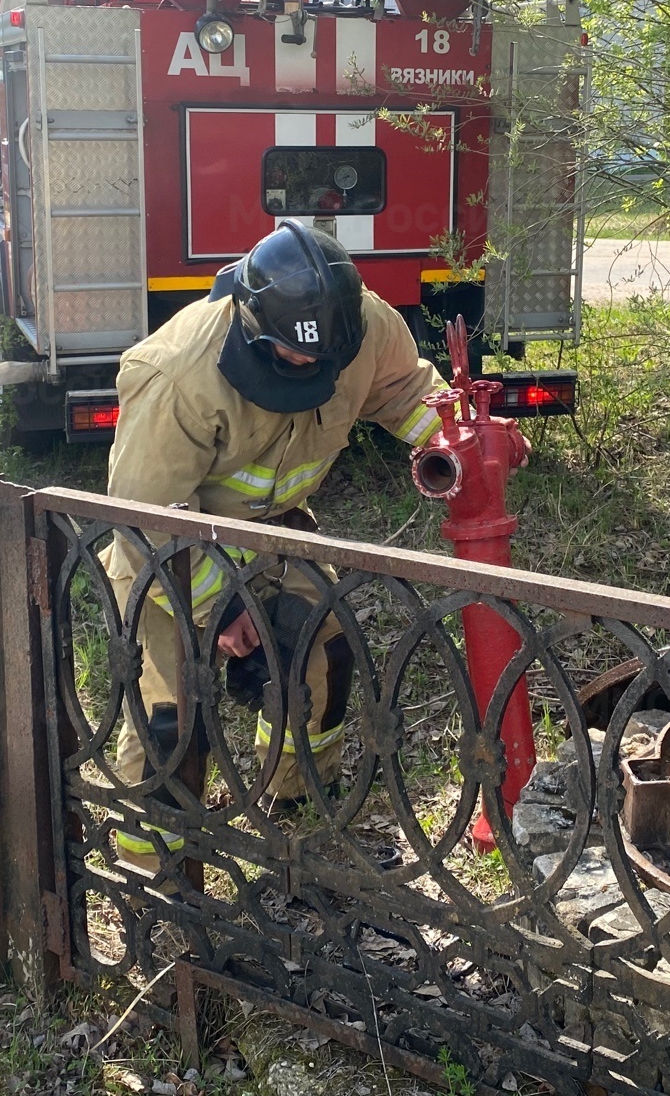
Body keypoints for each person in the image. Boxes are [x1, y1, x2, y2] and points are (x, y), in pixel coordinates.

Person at [101, 220, 450, 863]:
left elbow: (404, 390)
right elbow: (142, 519)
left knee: (324, 660)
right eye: (291, 356)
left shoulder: (364, 325)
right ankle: (154, 873)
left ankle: (298, 807)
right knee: (173, 715)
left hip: (274, 533)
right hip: (170, 552)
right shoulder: (178, 374)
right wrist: (221, 609)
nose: (306, 367)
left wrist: (454, 440)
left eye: (321, 361)